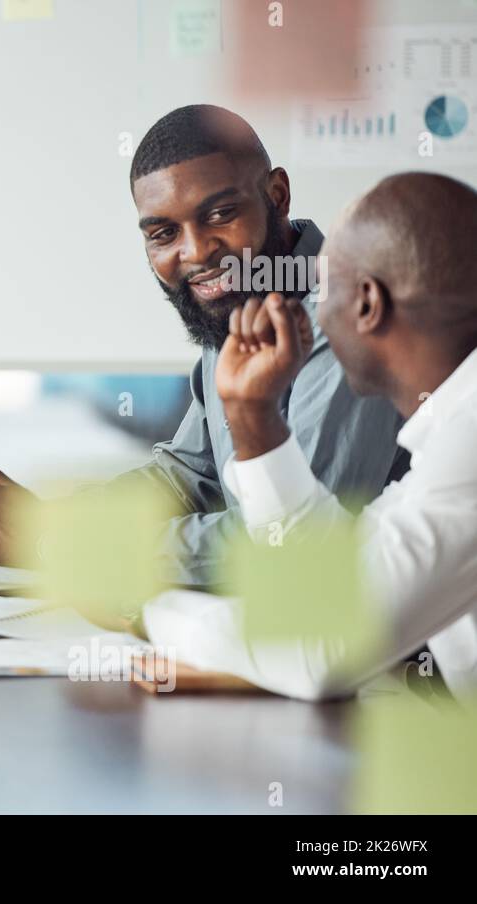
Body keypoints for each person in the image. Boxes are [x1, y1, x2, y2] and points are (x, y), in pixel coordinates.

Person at [0, 105, 408, 584]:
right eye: (163, 234)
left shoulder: (343, 320)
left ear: (277, 196)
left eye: (220, 215)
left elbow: (292, 543)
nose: (197, 252)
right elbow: (190, 478)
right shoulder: (241, 300)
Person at [143, 173, 477, 700]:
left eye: (325, 290)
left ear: (366, 304)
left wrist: (150, 613)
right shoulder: (449, 433)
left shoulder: (469, 445)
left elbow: (318, 647)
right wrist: (255, 417)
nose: (312, 310)